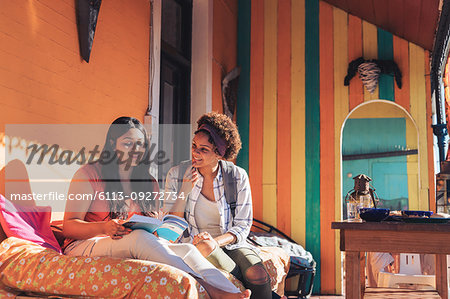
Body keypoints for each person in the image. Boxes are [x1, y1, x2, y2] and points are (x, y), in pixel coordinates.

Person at [62, 116, 250, 299]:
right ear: (112, 143)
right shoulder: (88, 174)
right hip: (85, 244)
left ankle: (234, 294)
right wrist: (104, 227)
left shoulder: (147, 181)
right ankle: (210, 289)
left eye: (141, 144)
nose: (136, 150)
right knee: (139, 237)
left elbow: (156, 227)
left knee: (188, 250)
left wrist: (162, 232)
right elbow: (69, 226)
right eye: (128, 143)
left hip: (128, 242)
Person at [166, 112, 274, 299]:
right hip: (194, 245)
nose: (195, 153)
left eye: (204, 149)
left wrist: (215, 242)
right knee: (205, 247)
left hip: (230, 243)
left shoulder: (237, 176)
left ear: (219, 154)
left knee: (258, 273)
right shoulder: (176, 174)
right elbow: (170, 225)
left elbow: (243, 225)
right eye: (194, 146)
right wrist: (184, 189)